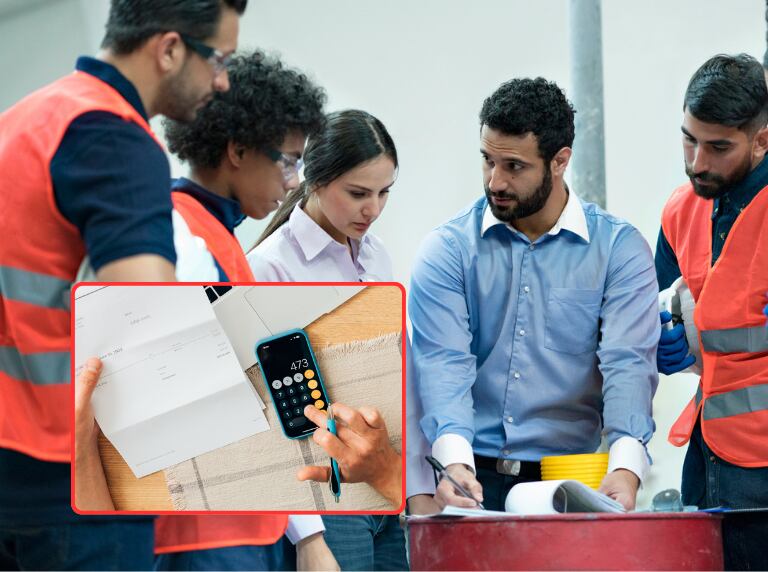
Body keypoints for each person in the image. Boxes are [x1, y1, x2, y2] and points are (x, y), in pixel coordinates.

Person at [0, 0, 246, 569]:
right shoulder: (112, 136)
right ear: (169, 49)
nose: (223, 79)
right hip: (72, 470)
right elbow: (144, 316)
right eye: (218, 59)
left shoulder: (26, 119)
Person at [409, 78, 659, 513]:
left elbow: (628, 362)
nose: (495, 181)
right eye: (487, 160)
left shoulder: (619, 250)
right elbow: (442, 363)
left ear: (559, 161)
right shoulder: (448, 249)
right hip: (470, 475)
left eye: (514, 166)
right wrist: (454, 463)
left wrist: (625, 466)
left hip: (571, 480)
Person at [154, 50, 335, 570]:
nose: (294, 179)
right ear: (237, 150)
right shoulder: (183, 239)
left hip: (249, 514)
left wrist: (305, 532)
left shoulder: (223, 241)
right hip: (205, 526)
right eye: (287, 159)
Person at [248, 110, 413, 571]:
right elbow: (267, 416)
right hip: (323, 496)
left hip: (382, 488)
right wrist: (307, 535)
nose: (373, 209)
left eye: (384, 193)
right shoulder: (270, 268)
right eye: (358, 193)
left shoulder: (377, 257)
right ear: (314, 179)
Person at [654, 53, 768, 571]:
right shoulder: (682, 208)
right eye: (689, 139)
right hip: (709, 454)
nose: (698, 161)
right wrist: (670, 340)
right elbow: (664, 304)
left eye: (718, 147)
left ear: (761, 141)